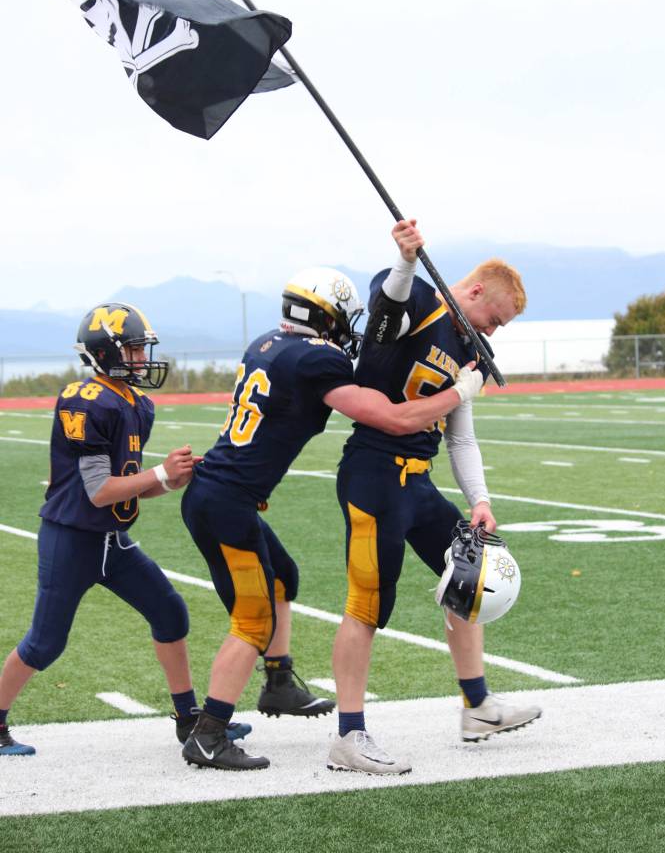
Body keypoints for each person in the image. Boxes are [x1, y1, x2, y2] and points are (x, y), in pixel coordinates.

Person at [180, 263, 483, 771]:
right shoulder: (315, 360)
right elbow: (392, 416)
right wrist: (460, 391)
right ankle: (208, 733)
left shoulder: (267, 343)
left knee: (284, 578)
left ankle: (278, 684)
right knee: (254, 619)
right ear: (329, 315)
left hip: (220, 492)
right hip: (226, 500)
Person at [327, 220, 542, 775]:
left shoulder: (470, 345)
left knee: (467, 579)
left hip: (417, 479)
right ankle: (349, 736)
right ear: (472, 292)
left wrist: (481, 498)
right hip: (374, 471)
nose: (494, 329)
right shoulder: (418, 296)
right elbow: (383, 317)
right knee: (368, 605)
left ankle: (478, 706)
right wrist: (404, 260)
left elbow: (460, 433)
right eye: (495, 317)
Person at [0, 303, 212, 756]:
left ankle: (188, 719)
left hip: (112, 541)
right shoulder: (86, 399)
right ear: (105, 352)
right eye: (134, 349)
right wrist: (160, 473)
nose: (142, 359)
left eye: (141, 349)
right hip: (72, 539)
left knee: (171, 613)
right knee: (44, 644)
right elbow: (99, 490)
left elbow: (128, 487)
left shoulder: (138, 404)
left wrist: (170, 481)